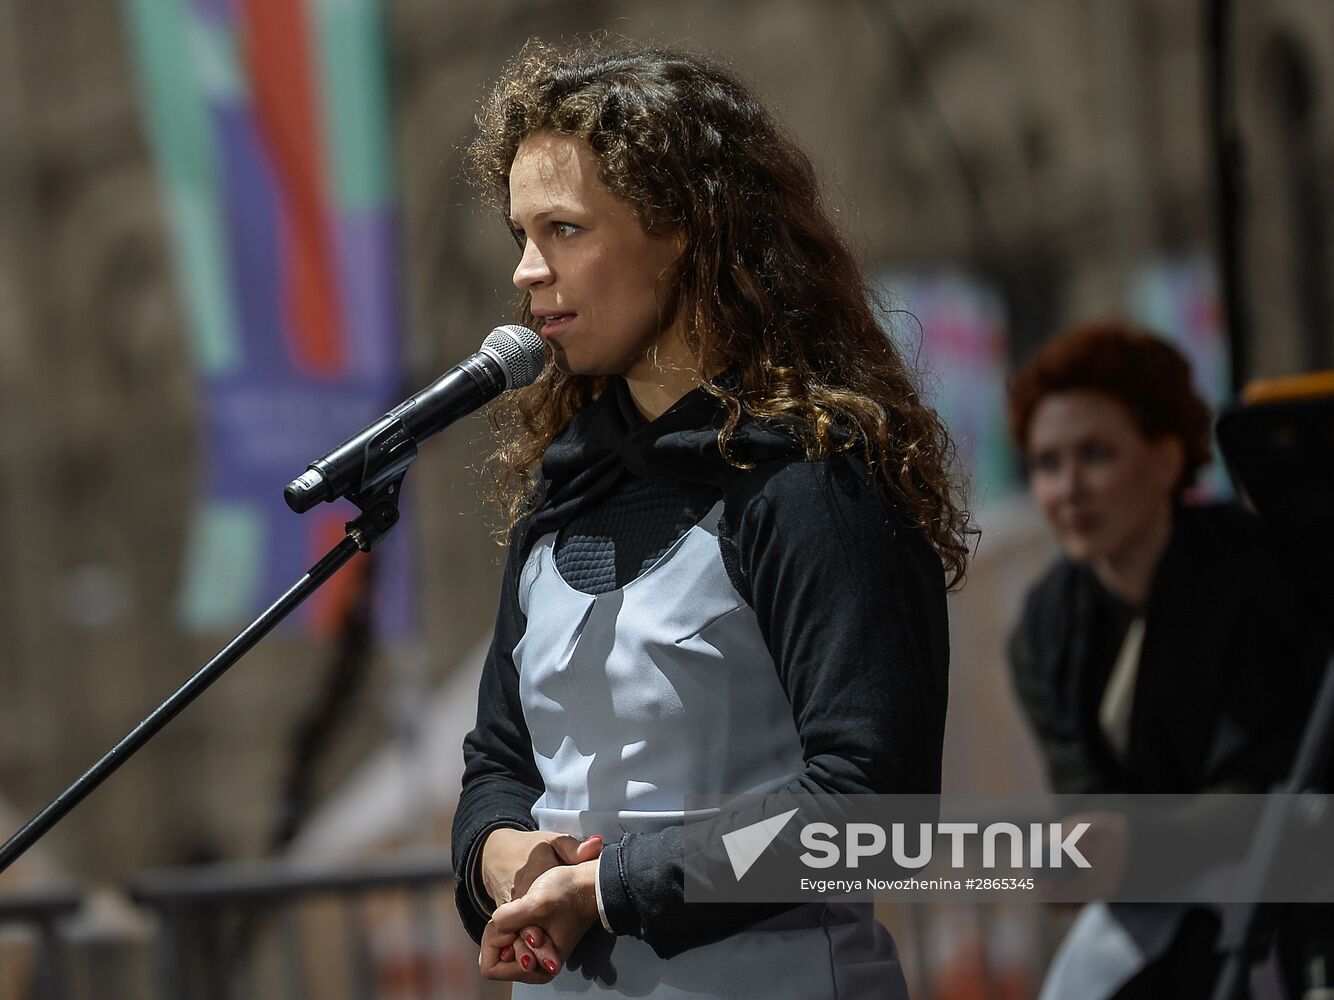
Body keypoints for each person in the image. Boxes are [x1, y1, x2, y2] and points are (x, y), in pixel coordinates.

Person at [449, 39, 971, 997]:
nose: (526, 271)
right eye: (520, 235)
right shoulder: (563, 498)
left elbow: (871, 808)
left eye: (563, 229)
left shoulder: (813, 482)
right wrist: (500, 856)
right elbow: (497, 758)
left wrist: (609, 887)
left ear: (681, 229)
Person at [1006, 321, 1329, 999]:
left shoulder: (1256, 574)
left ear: (1168, 457)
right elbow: (1084, 793)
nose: (1068, 489)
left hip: (1288, 915)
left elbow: (1262, 783)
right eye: (1045, 464)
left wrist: (1125, 848)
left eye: (1095, 454)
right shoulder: (1044, 623)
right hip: (1153, 921)